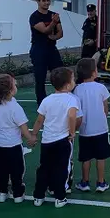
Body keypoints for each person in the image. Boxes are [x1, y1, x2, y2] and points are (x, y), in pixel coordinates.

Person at [31, 67, 80, 208]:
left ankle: (38, 196)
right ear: (68, 84)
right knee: (61, 169)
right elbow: (72, 116)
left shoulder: (47, 100)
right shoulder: (71, 100)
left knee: (44, 167)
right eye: (73, 79)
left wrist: (34, 134)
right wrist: (72, 132)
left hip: (47, 140)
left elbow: (39, 120)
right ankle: (60, 197)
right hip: (63, 140)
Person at [0, 74, 35, 204]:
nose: (16, 86)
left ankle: (1, 192)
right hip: (13, 145)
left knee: (0, 171)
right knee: (17, 170)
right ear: (10, 90)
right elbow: (23, 127)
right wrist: (30, 138)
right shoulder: (15, 108)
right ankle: (18, 194)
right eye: (14, 85)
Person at [73, 58, 110, 193]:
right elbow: (105, 107)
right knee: (101, 157)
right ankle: (101, 182)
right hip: (101, 128)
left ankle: (85, 182)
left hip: (85, 130)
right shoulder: (101, 87)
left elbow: (77, 109)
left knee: (86, 157)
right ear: (94, 72)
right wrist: (103, 118)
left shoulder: (77, 89)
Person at [29, 0, 64, 105]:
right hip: (38, 49)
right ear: (38, 2)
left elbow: (60, 32)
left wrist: (54, 37)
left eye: (48, 0)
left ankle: (62, 99)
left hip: (52, 49)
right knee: (40, 78)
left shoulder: (53, 14)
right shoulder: (35, 17)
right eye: (44, 0)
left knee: (60, 74)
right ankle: (42, 104)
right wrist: (53, 22)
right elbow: (45, 30)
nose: (47, 3)